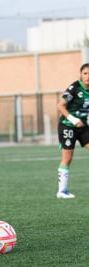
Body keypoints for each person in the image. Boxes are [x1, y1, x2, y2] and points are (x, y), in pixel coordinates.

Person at [56, 63, 89, 199]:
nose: (88, 76)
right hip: (67, 125)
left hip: (83, 126)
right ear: (80, 75)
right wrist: (73, 119)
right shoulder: (74, 88)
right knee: (67, 158)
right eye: (85, 73)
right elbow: (60, 105)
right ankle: (62, 191)